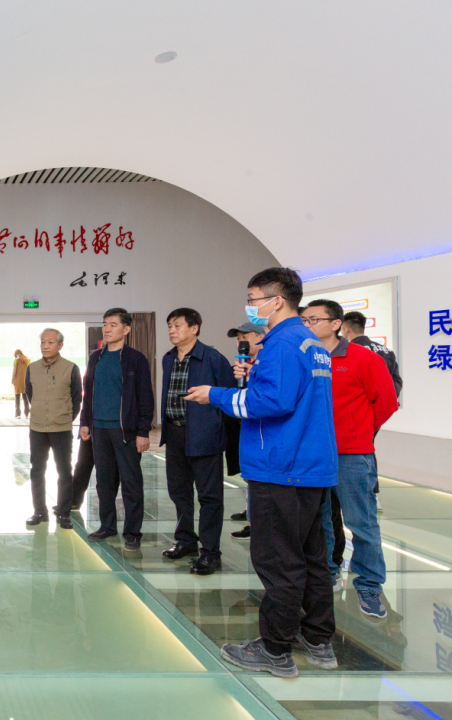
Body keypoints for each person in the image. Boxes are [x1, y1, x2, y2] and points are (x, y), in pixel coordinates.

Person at [185, 267, 338, 679]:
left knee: (278, 561)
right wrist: (254, 378)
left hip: (281, 468)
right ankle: (318, 639)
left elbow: (269, 403)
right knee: (311, 558)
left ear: (277, 300)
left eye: (253, 299)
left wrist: (216, 395)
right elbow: (292, 394)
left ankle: (274, 649)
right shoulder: (309, 343)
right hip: (309, 466)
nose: (250, 306)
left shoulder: (282, 343)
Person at [302, 299, 397, 617]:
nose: (307, 325)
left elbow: (386, 402)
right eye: (304, 320)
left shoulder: (363, 358)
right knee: (320, 522)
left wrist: (359, 432)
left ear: (336, 324)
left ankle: (369, 585)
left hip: (352, 454)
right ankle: (327, 574)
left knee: (361, 523)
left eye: (313, 319)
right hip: (314, 454)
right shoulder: (305, 357)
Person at [159, 308, 235, 575]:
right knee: (179, 492)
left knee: (209, 497)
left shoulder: (213, 358)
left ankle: (210, 553)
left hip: (205, 435)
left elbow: (229, 396)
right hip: (175, 434)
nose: (172, 330)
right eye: (169, 326)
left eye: (177, 325)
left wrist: (219, 431)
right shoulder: (168, 358)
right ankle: (186, 541)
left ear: (194, 328)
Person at [82, 308, 154, 552]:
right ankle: (107, 526)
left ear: (126, 329)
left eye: (113, 324)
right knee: (104, 482)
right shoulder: (95, 358)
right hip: (99, 430)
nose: (107, 328)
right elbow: (88, 394)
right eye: (105, 324)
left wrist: (143, 432)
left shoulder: (136, 359)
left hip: (126, 431)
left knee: (131, 483)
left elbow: (145, 398)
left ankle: (132, 532)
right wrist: (85, 422)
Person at [341, 310, 402, 512]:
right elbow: (395, 382)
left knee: (358, 454)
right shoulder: (385, 350)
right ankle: (372, 495)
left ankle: (363, 495)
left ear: (346, 328)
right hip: (377, 413)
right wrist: (379, 411)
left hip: (356, 415)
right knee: (368, 449)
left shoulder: (350, 352)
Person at [24, 329, 82, 530]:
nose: (45, 346)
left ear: (60, 345)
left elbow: (77, 398)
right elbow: (30, 394)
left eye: (50, 342)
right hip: (37, 429)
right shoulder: (32, 368)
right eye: (43, 342)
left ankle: (63, 513)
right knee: (37, 470)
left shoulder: (71, 368)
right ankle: (39, 511)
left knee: (64, 471)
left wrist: (64, 417)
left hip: (61, 429)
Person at [225, 322, 266, 540]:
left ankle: (258, 524)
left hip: (265, 434)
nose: (240, 341)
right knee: (250, 478)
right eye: (238, 338)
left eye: (245, 336)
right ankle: (252, 517)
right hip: (246, 430)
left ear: (261, 336)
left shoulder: (269, 361)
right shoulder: (244, 363)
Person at [12, 349, 32, 418]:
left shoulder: (16, 360)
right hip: (24, 381)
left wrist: (12, 380)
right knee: (25, 397)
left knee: (17, 397)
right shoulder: (27, 359)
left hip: (18, 381)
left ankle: (18, 414)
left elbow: (14, 371)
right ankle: (26, 414)